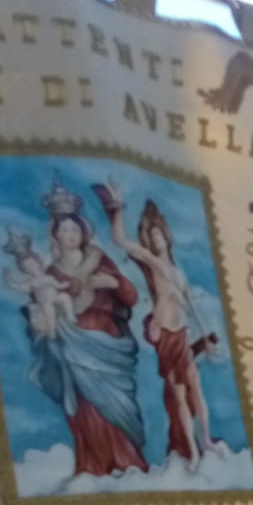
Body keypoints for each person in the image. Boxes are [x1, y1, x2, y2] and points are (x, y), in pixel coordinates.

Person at [98, 180, 219, 466]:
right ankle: (191, 450)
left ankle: (207, 439)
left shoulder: (179, 273)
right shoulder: (153, 262)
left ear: (166, 236)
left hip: (183, 332)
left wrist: (206, 339)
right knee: (178, 397)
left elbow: (193, 308)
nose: (156, 241)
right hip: (166, 335)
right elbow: (120, 241)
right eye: (151, 237)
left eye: (159, 235)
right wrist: (117, 211)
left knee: (196, 387)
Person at [35, 178, 149, 477]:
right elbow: (42, 310)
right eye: (65, 230)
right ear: (56, 236)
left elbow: (131, 296)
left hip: (107, 338)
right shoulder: (51, 272)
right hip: (74, 345)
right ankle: (95, 466)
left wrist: (110, 282)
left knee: (117, 406)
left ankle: (127, 462)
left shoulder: (98, 260)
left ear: (83, 231)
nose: (71, 234)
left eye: (75, 229)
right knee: (87, 409)